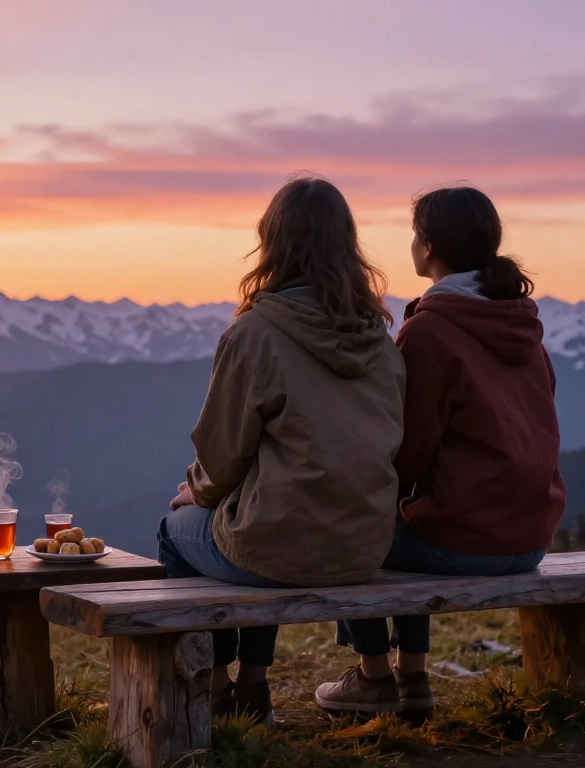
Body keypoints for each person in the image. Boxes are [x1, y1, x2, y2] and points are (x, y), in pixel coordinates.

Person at [158, 175, 406, 726]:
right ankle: (256, 684)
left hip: (279, 544)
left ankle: (215, 689)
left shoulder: (253, 334)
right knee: (261, 516)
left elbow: (222, 458)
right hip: (365, 544)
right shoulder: (380, 340)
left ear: (272, 242)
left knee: (182, 531)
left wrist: (194, 493)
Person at [314, 185, 567, 714]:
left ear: (428, 248)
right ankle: (413, 678)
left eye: (414, 235)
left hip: (467, 540)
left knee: (347, 532)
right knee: (412, 517)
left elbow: (405, 452)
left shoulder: (430, 331)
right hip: (531, 538)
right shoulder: (522, 324)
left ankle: (374, 676)